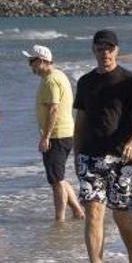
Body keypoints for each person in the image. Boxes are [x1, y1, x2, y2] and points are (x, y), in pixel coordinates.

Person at [73, 30, 132, 263]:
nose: (105, 53)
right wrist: (76, 155)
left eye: (109, 48)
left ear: (117, 50)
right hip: (91, 156)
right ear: (93, 51)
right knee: (93, 212)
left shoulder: (129, 80)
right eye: (100, 48)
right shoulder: (85, 82)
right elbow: (80, 122)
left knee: (121, 214)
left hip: (123, 157)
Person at [24, 44, 84, 222]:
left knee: (56, 181)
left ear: (42, 61)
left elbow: (53, 110)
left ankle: (60, 219)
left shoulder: (51, 80)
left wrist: (45, 137)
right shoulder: (57, 75)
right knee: (59, 177)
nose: (30, 65)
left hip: (57, 135)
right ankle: (77, 211)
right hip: (63, 134)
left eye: (32, 61)